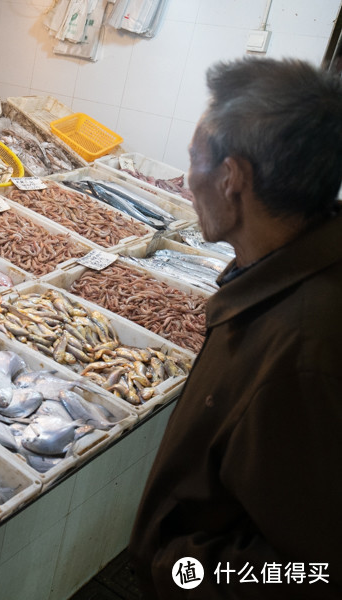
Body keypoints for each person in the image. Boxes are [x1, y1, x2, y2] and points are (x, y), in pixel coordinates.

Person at [129, 57, 342, 599]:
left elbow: (315, 570)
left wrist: (183, 569)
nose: (186, 179)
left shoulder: (302, 348)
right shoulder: (286, 269)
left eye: (195, 160)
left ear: (232, 178)